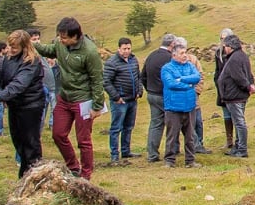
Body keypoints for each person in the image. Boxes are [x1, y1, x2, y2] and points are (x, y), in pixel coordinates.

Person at [36, 16, 107, 180]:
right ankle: (73, 166)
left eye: (64, 37)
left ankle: (86, 174)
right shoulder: (60, 45)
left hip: (83, 100)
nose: (61, 40)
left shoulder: (89, 52)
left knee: (84, 140)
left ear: (76, 36)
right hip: (65, 97)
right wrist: (31, 44)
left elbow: (97, 79)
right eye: (60, 36)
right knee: (58, 134)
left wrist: (96, 105)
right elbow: (48, 50)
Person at [0, 29, 47, 177]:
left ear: (24, 46)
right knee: (18, 141)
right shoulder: (8, 59)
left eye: (14, 47)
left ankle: (34, 174)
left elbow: (19, 84)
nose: (10, 50)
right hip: (15, 105)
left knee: (30, 142)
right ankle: (25, 173)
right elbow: (2, 79)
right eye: (9, 46)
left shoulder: (31, 61)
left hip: (31, 106)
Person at [159, 37, 202, 168]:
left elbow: (197, 77)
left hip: (189, 107)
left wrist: (181, 79)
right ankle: (169, 160)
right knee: (172, 135)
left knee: (190, 136)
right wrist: (188, 86)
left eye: (186, 53)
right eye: (182, 53)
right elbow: (170, 83)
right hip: (173, 107)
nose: (185, 56)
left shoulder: (189, 66)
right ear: (174, 55)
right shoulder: (167, 68)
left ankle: (190, 160)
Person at [214, 33, 255, 158]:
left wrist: (248, 86)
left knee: (239, 122)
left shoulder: (234, 58)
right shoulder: (241, 56)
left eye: (226, 46)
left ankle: (242, 149)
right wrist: (250, 85)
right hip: (238, 95)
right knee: (238, 121)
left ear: (230, 46)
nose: (225, 48)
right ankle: (237, 147)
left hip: (235, 96)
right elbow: (248, 74)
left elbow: (239, 77)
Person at [103, 37, 143, 165]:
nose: (127, 51)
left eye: (129, 48)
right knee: (116, 127)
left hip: (132, 99)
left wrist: (139, 90)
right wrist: (116, 97)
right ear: (119, 49)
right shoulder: (112, 63)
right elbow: (106, 82)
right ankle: (115, 154)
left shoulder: (133, 60)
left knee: (129, 126)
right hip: (119, 101)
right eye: (124, 49)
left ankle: (126, 150)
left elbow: (138, 77)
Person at [141, 32, 174, 163]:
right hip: (164, 95)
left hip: (151, 94)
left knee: (155, 124)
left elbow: (142, 75)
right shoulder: (169, 58)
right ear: (172, 45)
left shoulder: (151, 55)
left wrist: (149, 88)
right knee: (173, 123)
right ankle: (172, 151)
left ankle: (152, 154)